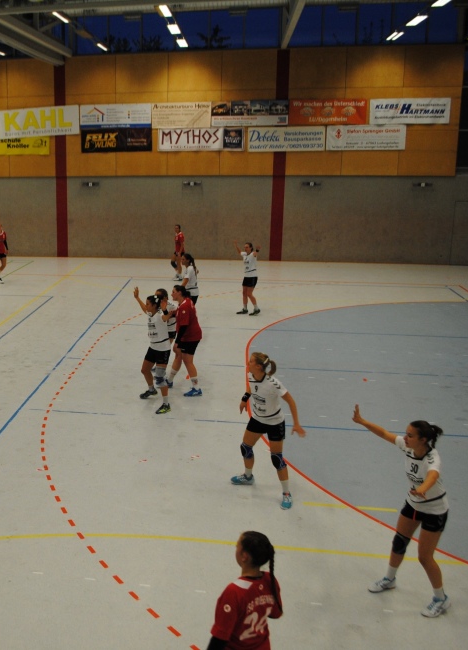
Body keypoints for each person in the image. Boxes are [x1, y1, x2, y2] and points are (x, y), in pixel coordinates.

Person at [351, 405, 451, 618]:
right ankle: (390, 579)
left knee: (425, 557)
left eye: (410, 435)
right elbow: (384, 433)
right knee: (399, 542)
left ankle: (441, 598)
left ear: (423, 440)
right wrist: (363, 421)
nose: (405, 438)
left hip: (434, 509)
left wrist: (422, 489)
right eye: (406, 434)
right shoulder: (408, 447)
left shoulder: (432, 458)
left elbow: (433, 476)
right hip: (413, 504)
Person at [231, 352, 305, 510]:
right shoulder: (251, 374)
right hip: (258, 419)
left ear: (259, 366)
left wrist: (297, 424)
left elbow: (291, 401)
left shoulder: (273, 383)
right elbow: (251, 387)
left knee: (276, 458)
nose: (248, 363)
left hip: (274, 422)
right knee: (245, 447)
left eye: (251, 361)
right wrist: (244, 399)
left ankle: (286, 493)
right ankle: (248, 476)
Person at [208, 531, 283, 650]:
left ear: (244, 556)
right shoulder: (269, 580)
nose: (235, 547)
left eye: (237, 546)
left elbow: (219, 639)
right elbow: (276, 613)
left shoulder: (234, 592)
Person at [133, 287, 172, 414]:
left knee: (160, 378)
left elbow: (167, 317)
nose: (146, 306)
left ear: (155, 306)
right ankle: (151, 390)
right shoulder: (151, 314)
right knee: (144, 370)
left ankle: (166, 404)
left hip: (163, 349)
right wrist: (137, 298)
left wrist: (165, 309)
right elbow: (144, 309)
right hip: (153, 347)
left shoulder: (160, 316)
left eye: (148, 304)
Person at [166, 285, 202, 396]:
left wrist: (177, 342)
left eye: (173, 292)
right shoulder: (185, 302)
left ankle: (196, 388)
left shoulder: (184, 306)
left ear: (179, 293)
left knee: (187, 361)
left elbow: (184, 326)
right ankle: (169, 380)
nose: (171, 294)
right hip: (190, 336)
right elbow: (181, 314)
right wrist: (173, 313)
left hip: (191, 337)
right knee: (179, 356)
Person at [233, 240, 260, 316]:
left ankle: (256, 308)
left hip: (252, 276)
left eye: (247, 247)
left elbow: (255, 254)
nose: (245, 248)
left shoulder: (252, 254)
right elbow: (240, 252)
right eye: (245, 247)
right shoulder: (244, 254)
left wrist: (257, 250)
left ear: (251, 248)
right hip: (246, 276)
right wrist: (236, 246)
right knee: (244, 293)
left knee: (249, 294)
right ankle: (245, 309)